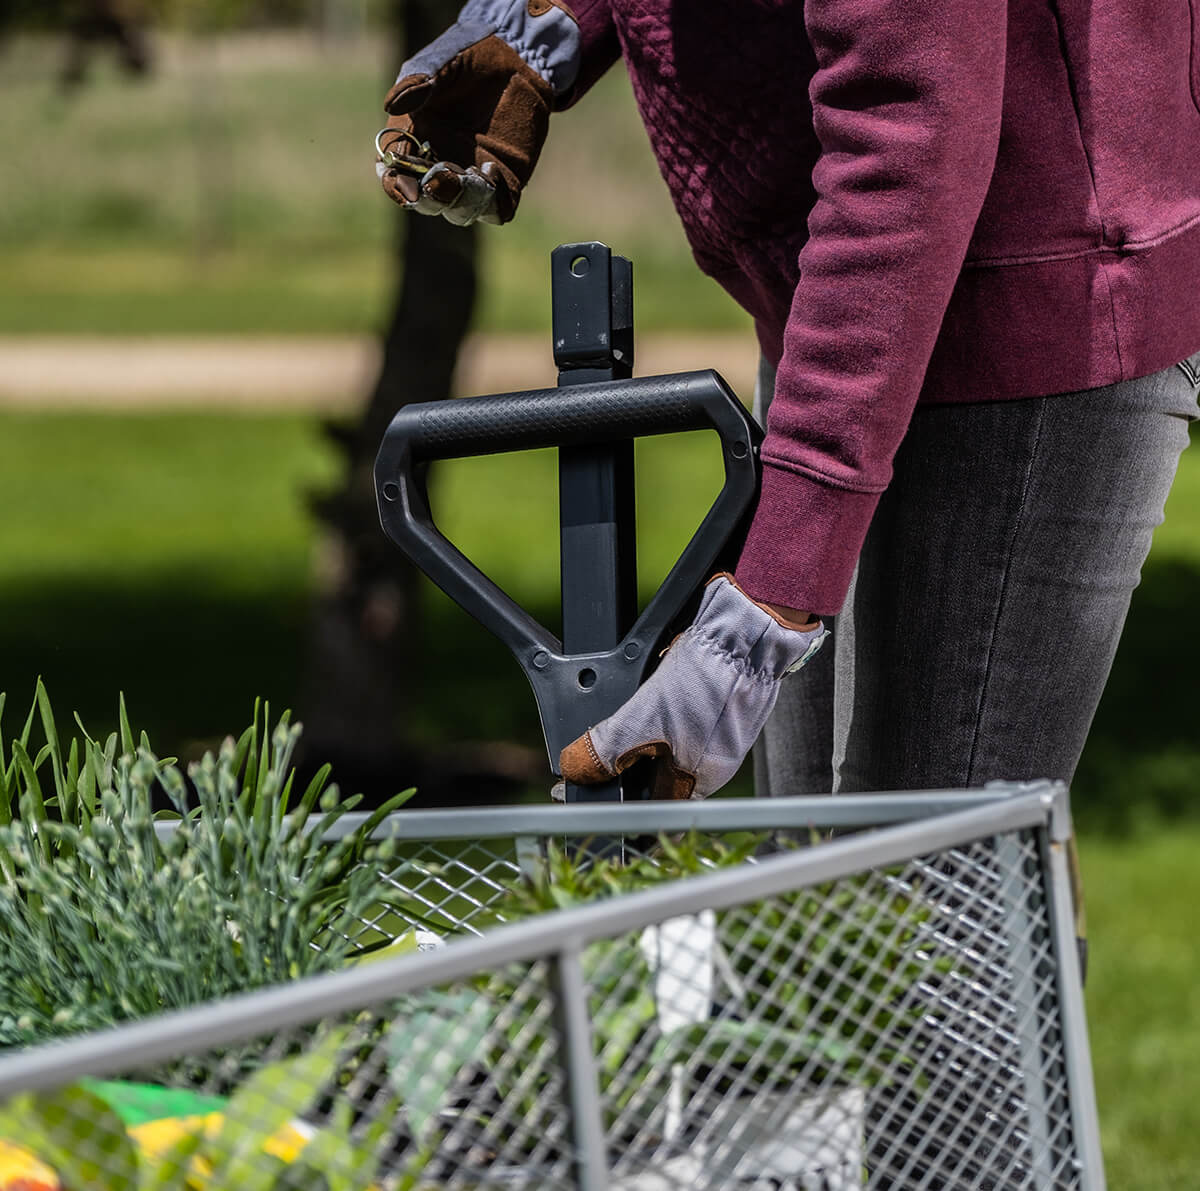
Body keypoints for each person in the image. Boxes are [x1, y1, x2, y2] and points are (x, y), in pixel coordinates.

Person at [376, 0, 1200, 800]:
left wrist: (767, 607)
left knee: (925, 912)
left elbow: (912, 117)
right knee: (809, 899)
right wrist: (548, 25)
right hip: (834, 303)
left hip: (1025, 305)